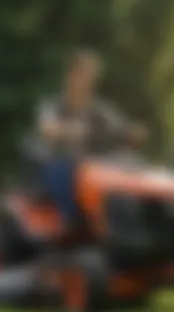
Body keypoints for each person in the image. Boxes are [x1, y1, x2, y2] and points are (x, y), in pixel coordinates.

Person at [31, 49, 125, 225]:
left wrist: (129, 134)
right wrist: (70, 130)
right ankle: (73, 222)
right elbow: (47, 129)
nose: (89, 81)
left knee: (127, 164)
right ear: (71, 76)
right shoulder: (52, 105)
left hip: (93, 167)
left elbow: (118, 129)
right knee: (66, 168)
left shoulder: (98, 110)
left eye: (92, 76)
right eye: (85, 75)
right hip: (58, 165)